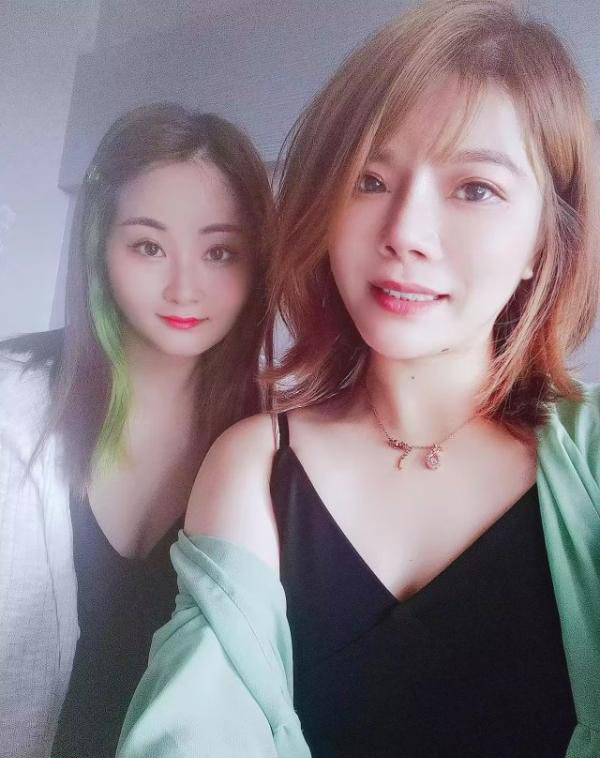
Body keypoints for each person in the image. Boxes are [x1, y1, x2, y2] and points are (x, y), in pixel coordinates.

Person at [117, 2, 600, 757]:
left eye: (475, 188)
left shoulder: (589, 455)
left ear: (546, 237)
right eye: (369, 179)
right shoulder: (255, 462)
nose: (404, 232)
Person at [0, 103, 274, 758]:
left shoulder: (274, 448)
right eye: (149, 246)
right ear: (101, 248)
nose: (184, 288)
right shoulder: (11, 402)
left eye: (220, 252)